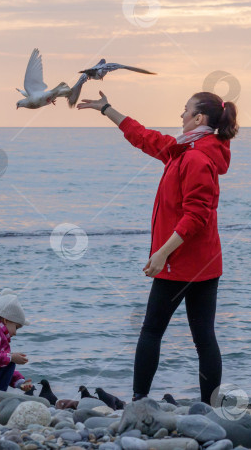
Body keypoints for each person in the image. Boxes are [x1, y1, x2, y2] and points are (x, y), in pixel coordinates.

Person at [78, 90, 238, 404]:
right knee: (203, 339)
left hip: (181, 264)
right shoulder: (185, 148)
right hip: (205, 265)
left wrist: (163, 252)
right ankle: (209, 408)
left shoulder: (194, 157)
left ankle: (139, 402)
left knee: (152, 331)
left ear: (198, 118)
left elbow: (197, 215)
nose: (180, 115)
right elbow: (145, 138)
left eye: (185, 110)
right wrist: (108, 109)